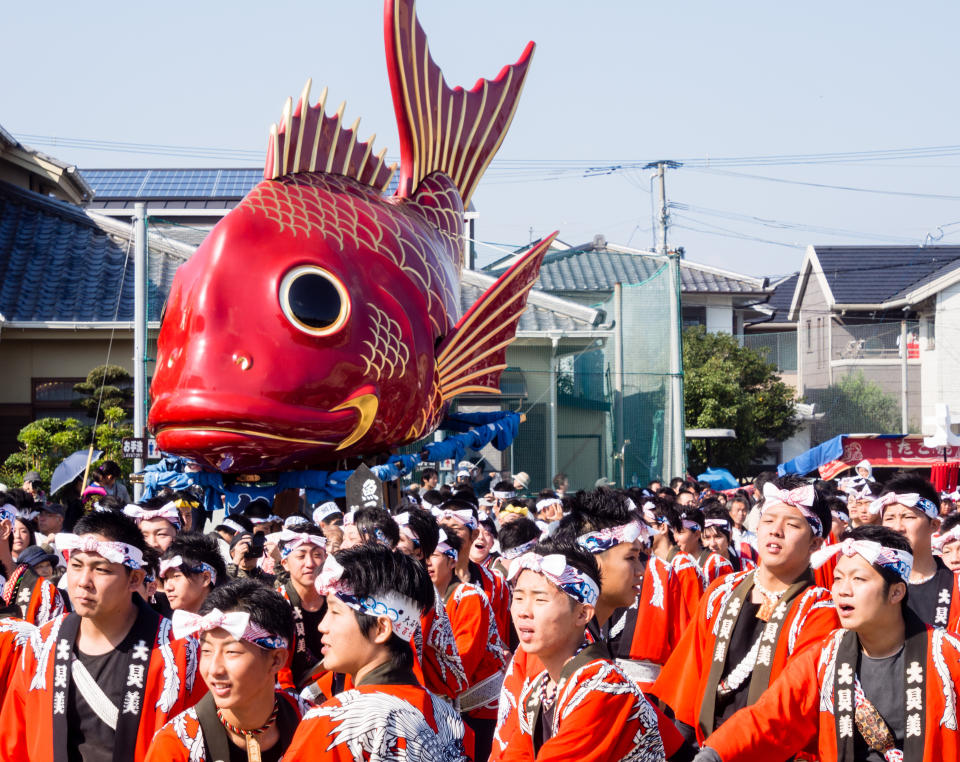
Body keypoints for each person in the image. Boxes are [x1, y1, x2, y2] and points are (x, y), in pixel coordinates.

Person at [694, 526, 960, 761]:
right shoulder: (825, 657)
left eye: (858, 579)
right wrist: (715, 754)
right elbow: (771, 717)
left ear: (896, 592)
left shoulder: (948, 657)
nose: (843, 590)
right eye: (838, 578)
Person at [0, 510, 205, 761]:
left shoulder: (179, 651)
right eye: (76, 566)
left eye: (101, 569)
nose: (83, 581)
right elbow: (12, 742)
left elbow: (197, 743)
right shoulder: (42, 644)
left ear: (135, 579)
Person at [650, 477, 839, 746]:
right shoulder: (721, 591)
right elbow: (688, 682)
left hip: (768, 750)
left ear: (815, 544)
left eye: (792, 524)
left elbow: (793, 705)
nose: (776, 531)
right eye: (769, 520)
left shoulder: (819, 611)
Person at [283, 546, 469, 761]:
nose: (322, 626)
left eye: (335, 611)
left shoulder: (330, 722)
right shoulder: (451, 721)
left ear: (381, 628)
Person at [496, 543, 665, 761]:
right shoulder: (539, 688)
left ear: (582, 614)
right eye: (518, 598)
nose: (523, 612)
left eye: (540, 600)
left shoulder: (603, 687)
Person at [146, 579, 309, 762]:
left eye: (231, 652)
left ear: (276, 660)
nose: (214, 669)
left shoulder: (313, 723)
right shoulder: (175, 745)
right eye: (206, 651)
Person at [428, 530, 507, 762]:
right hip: (452, 706)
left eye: (434, 555)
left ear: (452, 560)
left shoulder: (469, 596)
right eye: (424, 557)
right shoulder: (431, 600)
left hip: (480, 711)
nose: (427, 563)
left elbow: (462, 665)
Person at [872, 472, 960, 631]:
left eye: (908, 517)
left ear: (934, 524)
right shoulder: (871, 581)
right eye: (890, 518)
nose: (897, 527)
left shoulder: (956, 586)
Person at [268, 525, 328, 690]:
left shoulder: (337, 598)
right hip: (291, 694)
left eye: (317, 555)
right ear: (285, 563)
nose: (310, 563)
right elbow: (279, 671)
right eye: (301, 556)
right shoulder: (275, 604)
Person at [1, 538, 64, 626]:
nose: (45, 570)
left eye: (48, 565)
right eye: (39, 566)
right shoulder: (13, 588)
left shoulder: (60, 592)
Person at [160, 534, 225, 614]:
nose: (167, 587)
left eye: (176, 576)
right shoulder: (165, 623)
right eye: (166, 579)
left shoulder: (232, 622)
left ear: (205, 578)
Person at [701, 507, 756, 573]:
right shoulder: (697, 569)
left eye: (718, 537)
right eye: (707, 538)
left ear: (730, 536)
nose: (712, 543)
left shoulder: (747, 567)